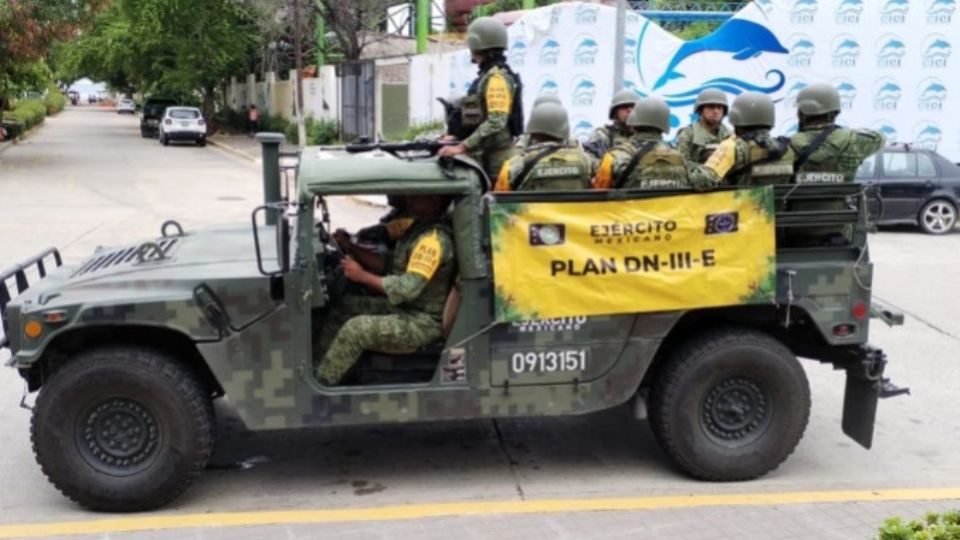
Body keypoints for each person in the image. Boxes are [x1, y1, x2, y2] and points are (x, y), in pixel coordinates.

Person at [314, 195, 456, 386]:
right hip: (408, 309)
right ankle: (318, 367)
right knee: (345, 306)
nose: (409, 200)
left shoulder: (433, 241)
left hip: (423, 322)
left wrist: (362, 276)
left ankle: (320, 386)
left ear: (435, 201)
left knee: (355, 329)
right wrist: (351, 247)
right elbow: (389, 264)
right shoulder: (418, 229)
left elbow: (406, 289)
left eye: (417, 196)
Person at [788, 82, 885, 244]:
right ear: (834, 112)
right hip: (839, 230)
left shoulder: (788, 145)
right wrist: (844, 133)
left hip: (794, 229)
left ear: (802, 113)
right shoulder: (853, 141)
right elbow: (879, 138)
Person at [437, 16, 523, 181]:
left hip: (496, 162)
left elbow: (496, 121)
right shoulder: (489, 76)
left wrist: (463, 146)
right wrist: (456, 138)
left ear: (476, 44)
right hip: (487, 157)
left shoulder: (496, 78)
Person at [593, 97, 711, 190]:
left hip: (629, 220)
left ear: (633, 123)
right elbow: (701, 182)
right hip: (671, 220)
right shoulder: (679, 158)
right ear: (664, 125)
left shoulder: (614, 157)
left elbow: (599, 196)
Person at [690, 92, 794, 187]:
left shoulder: (732, 146)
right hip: (779, 206)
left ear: (737, 117)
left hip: (742, 206)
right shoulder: (787, 149)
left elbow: (700, 181)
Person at [494, 102, 594, 191]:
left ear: (533, 132)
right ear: (565, 131)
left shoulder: (514, 166)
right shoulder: (587, 162)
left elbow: (499, 203)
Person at [675, 88, 732, 165]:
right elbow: (681, 165)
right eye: (711, 107)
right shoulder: (688, 134)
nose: (716, 111)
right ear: (701, 109)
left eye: (719, 107)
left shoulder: (730, 135)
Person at [582, 90, 636, 161]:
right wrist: (612, 165)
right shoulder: (602, 135)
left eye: (633, 107)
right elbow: (590, 161)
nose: (629, 110)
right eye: (624, 106)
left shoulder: (644, 136)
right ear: (615, 112)